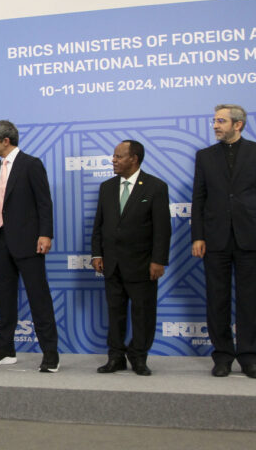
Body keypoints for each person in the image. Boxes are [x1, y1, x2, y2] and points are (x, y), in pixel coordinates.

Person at [192, 104, 256, 379]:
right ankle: (222, 356)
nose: (215, 126)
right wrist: (198, 235)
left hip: (251, 237)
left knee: (250, 301)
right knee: (216, 300)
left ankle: (249, 358)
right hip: (214, 239)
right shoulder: (205, 156)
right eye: (214, 121)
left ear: (238, 125)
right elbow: (199, 199)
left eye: (221, 121)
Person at [0, 120, 60, 372]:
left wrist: (45, 234)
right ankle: (6, 348)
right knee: (5, 299)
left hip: (29, 242)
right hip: (2, 242)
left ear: (6, 141)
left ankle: (50, 353)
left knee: (39, 298)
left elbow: (44, 203)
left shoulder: (31, 164)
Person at [91, 140, 171, 376]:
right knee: (114, 313)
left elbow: (162, 229)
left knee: (143, 313)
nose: (113, 160)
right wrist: (97, 253)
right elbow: (99, 225)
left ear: (133, 159)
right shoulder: (106, 187)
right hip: (112, 263)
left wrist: (159, 260)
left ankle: (138, 357)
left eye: (118, 156)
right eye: (114, 156)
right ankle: (115, 357)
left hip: (143, 264)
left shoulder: (155, 187)